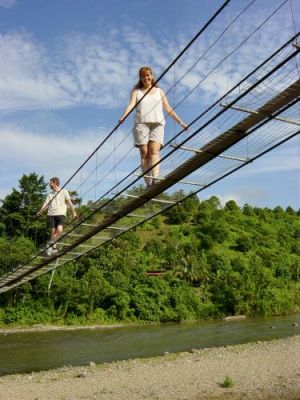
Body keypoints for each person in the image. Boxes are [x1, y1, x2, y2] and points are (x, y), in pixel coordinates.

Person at [119, 66, 188, 188]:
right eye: (143, 76)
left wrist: (180, 122)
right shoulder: (137, 92)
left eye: (148, 75)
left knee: (154, 151)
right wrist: (123, 116)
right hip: (141, 124)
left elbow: (168, 108)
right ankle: (148, 182)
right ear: (140, 78)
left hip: (157, 123)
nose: (146, 78)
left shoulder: (159, 91)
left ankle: (155, 179)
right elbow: (131, 105)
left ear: (151, 76)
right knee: (144, 152)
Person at [37, 177, 77, 256]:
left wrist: (74, 212)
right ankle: (54, 248)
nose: (49, 184)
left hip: (61, 214)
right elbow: (46, 203)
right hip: (51, 214)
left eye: (51, 183)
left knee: (59, 230)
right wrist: (41, 211)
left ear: (55, 183)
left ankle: (50, 245)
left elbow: (69, 202)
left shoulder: (64, 191)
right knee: (53, 232)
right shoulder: (50, 194)